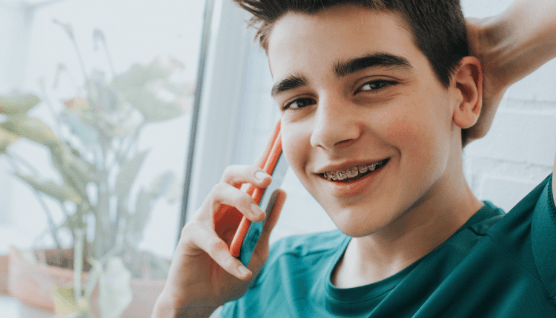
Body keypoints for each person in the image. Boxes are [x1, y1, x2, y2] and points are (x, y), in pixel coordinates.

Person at [152, 0, 556, 317]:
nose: (326, 132)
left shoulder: (536, 261)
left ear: (465, 92)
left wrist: (496, 46)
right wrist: (180, 309)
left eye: (373, 84)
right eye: (299, 101)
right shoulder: (263, 281)